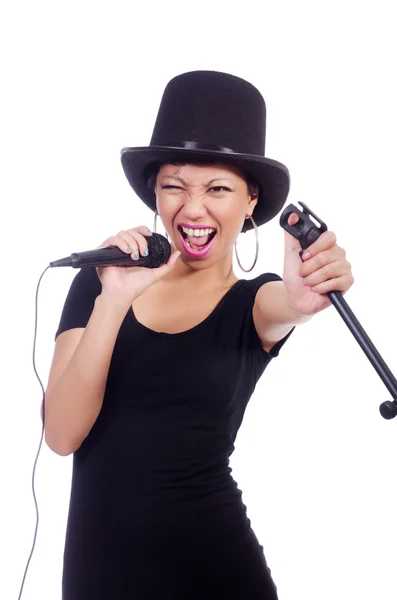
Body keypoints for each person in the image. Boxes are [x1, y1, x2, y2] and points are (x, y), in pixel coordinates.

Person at [43, 71, 354, 599]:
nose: (193, 209)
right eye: (174, 186)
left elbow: (287, 304)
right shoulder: (100, 285)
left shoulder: (253, 303)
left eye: (218, 189)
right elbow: (62, 434)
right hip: (101, 573)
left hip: (216, 569)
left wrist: (304, 299)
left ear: (251, 200)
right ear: (154, 192)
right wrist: (114, 298)